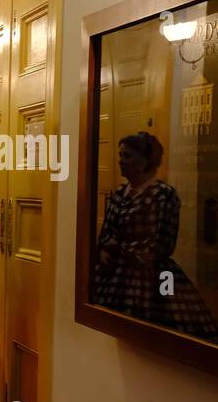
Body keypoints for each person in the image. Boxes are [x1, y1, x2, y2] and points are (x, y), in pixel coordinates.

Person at [93, 132, 217, 340]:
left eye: (128, 156)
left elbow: (160, 246)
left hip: (154, 276)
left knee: (159, 328)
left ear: (146, 161)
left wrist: (120, 249)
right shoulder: (120, 192)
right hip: (113, 274)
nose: (120, 161)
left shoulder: (163, 195)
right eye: (120, 155)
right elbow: (106, 233)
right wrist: (105, 250)